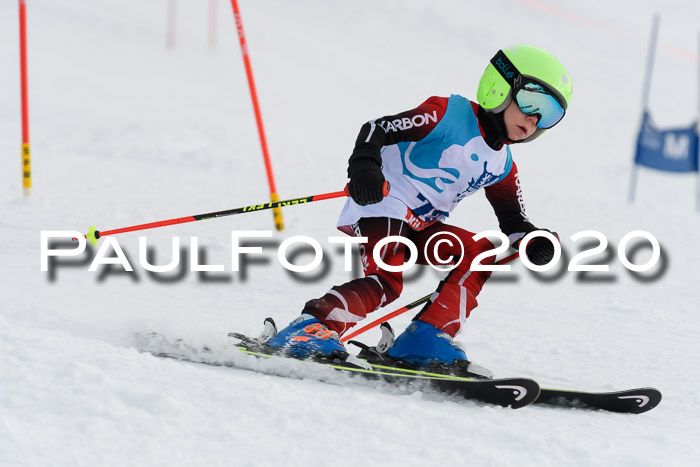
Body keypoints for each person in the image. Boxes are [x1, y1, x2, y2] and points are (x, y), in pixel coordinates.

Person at [266, 45, 573, 371]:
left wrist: (533, 239)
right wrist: (365, 166)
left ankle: (425, 337)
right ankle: (310, 327)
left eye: (550, 113)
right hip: (385, 203)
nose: (535, 118)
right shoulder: (449, 114)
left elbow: (513, 219)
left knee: (481, 252)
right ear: (500, 85)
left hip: (422, 226)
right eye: (531, 101)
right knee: (386, 283)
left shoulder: (502, 164)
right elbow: (377, 128)